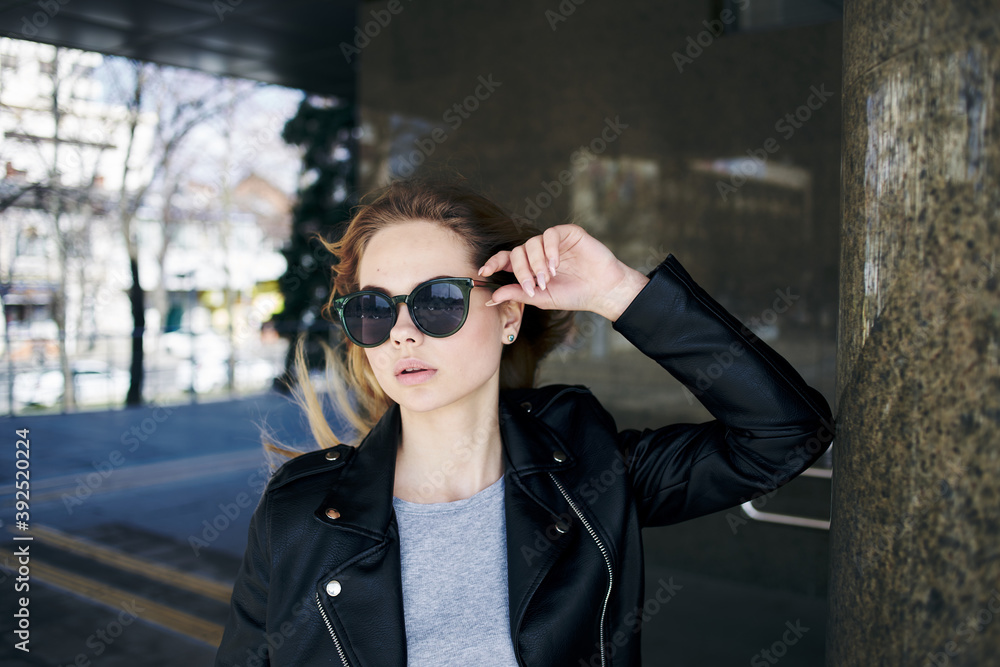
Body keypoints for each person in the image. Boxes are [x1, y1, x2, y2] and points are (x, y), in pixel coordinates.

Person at [215, 180, 834, 667]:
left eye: (437, 301)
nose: (402, 332)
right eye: (375, 308)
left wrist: (619, 291)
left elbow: (782, 433)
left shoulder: (591, 477)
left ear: (508, 316)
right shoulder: (297, 516)